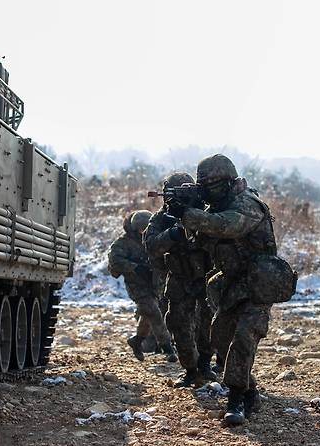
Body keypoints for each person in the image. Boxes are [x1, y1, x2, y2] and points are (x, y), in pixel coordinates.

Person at [178, 154, 291, 426]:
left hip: (258, 284)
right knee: (220, 338)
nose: (207, 190)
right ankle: (249, 389)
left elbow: (227, 226)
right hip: (231, 284)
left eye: (211, 184)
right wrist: (182, 214)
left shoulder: (247, 203)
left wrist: (192, 215)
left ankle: (236, 399)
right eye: (202, 186)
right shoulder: (215, 207)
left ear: (227, 181)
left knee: (243, 337)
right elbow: (201, 242)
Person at [144, 172, 216, 387]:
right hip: (179, 279)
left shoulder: (206, 213)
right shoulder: (161, 218)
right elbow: (151, 247)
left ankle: (205, 364)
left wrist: (197, 220)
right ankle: (190, 369)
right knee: (178, 324)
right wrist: (173, 234)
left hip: (206, 278)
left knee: (208, 324)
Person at [108, 210, 177, 363]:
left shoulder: (153, 239)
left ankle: (137, 340)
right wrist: (134, 267)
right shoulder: (123, 243)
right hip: (136, 285)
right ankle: (167, 348)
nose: (142, 232)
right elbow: (114, 261)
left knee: (147, 314)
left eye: (145, 229)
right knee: (154, 312)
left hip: (153, 284)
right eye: (140, 229)